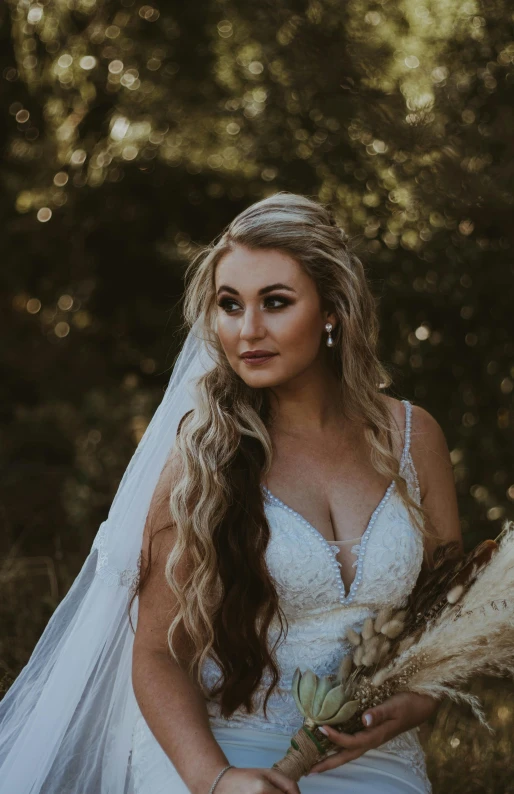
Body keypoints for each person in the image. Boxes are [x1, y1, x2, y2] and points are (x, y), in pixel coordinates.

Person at [0, 192, 463, 794]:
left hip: (376, 759)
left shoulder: (412, 436)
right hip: (221, 749)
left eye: (275, 303)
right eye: (229, 305)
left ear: (332, 308)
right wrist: (216, 779)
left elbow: (448, 611)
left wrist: (419, 701)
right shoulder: (203, 458)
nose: (248, 331)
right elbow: (159, 655)